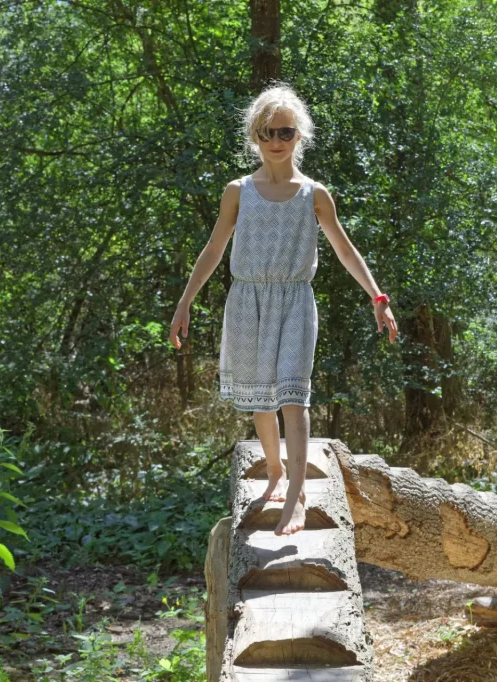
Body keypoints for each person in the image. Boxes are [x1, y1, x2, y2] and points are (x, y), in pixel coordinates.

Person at [169, 84, 397, 536]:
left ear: (300, 136)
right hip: (247, 301)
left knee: (293, 395)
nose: (276, 140)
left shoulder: (314, 194)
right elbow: (214, 249)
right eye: (267, 131)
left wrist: (378, 298)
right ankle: (273, 469)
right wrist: (185, 302)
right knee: (260, 397)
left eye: (286, 132)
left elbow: (346, 251)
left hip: (294, 301)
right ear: (254, 135)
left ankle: (296, 494)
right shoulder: (238, 191)